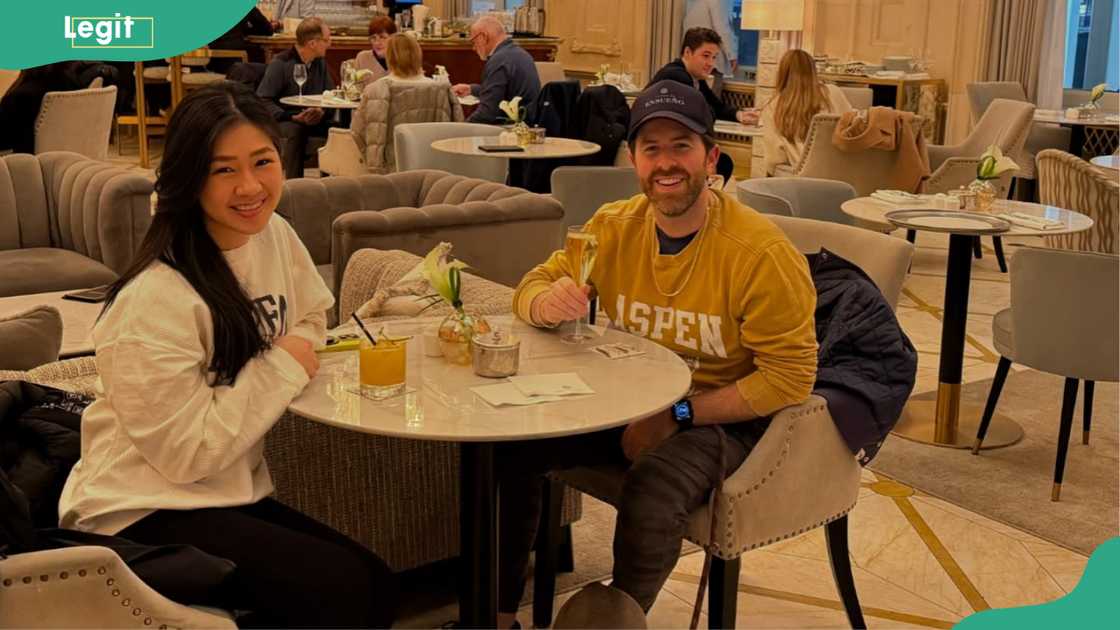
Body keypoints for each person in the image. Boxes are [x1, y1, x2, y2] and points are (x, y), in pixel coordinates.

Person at [56, 81, 396, 628]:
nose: (250, 187)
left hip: (227, 487)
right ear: (190, 180)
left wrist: (293, 350)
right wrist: (284, 363)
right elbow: (185, 455)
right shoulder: (153, 299)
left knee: (372, 583)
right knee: (348, 593)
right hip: (139, 508)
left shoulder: (274, 235)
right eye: (223, 170)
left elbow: (312, 315)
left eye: (262, 162)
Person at [495, 80, 819, 628]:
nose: (666, 163)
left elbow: (790, 379)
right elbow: (529, 287)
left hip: (723, 413)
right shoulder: (612, 227)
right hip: (625, 395)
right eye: (652, 149)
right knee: (514, 446)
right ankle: (498, 614)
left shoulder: (759, 253)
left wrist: (679, 413)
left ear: (712, 157)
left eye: (681, 147)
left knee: (654, 486)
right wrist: (547, 303)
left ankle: (615, 619)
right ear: (633, 160)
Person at [651, 27, 754, 183]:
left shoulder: (694, 77)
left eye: (714, 57)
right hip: (663, 150)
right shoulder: (675, 76)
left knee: (722, 162)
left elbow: (715, 106)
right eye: (706, 56)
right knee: (723, 163)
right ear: (687, 52)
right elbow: (704, 115)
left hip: (678, 146)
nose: (711, 63)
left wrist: (740, 114)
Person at [351, 33, 462, 171]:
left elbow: (357, 132)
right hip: (433, 168)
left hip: (392, 169)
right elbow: (456, 129)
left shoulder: (376, 89)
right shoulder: (442, 89)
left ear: (389, 57)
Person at [256, 16, 335, 178]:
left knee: (336, 129)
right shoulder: (280, 63)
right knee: (296, 130)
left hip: (314, 119)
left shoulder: (320, 63)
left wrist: (321, 111)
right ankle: (294, 184)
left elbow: (330, 95)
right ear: (312, 43)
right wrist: (292, 117)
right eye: (326, 40)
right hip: (285, 120)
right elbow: (262, 100)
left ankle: (328, 185)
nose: (330, 44)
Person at [761, 48, 852, 176]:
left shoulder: (774, 106)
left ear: (782, 73)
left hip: (803, 177)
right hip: (840, 171)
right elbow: (851, 126)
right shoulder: (834, 93)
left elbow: (775, 159)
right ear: (813, 70)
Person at [451, 16, 541, 124]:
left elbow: (487, 113)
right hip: (530, 123)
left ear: (483, 36)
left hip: (513, 129)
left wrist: (461, 129)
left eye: (473, 42)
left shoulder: (499, 60)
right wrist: (471, 89)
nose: (473, 48)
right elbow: (503, 93)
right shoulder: (518, 53)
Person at [0, 62, 82, 153]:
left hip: (24, 161)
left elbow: (9, 136)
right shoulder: (74, 88)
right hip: (67, 158)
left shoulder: (21, 97)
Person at [683, 0, 738, 77]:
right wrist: (732, 56)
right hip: (712, 63)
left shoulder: (694, 3)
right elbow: (722, 29)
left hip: (695, 60)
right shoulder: (718, 2)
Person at [354, 15, 397, 87]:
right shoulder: (362, 58)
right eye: (373, 38)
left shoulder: (402, 58)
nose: (377, 42)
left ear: (393, 37)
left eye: (382, 37)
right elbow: (356, 90)